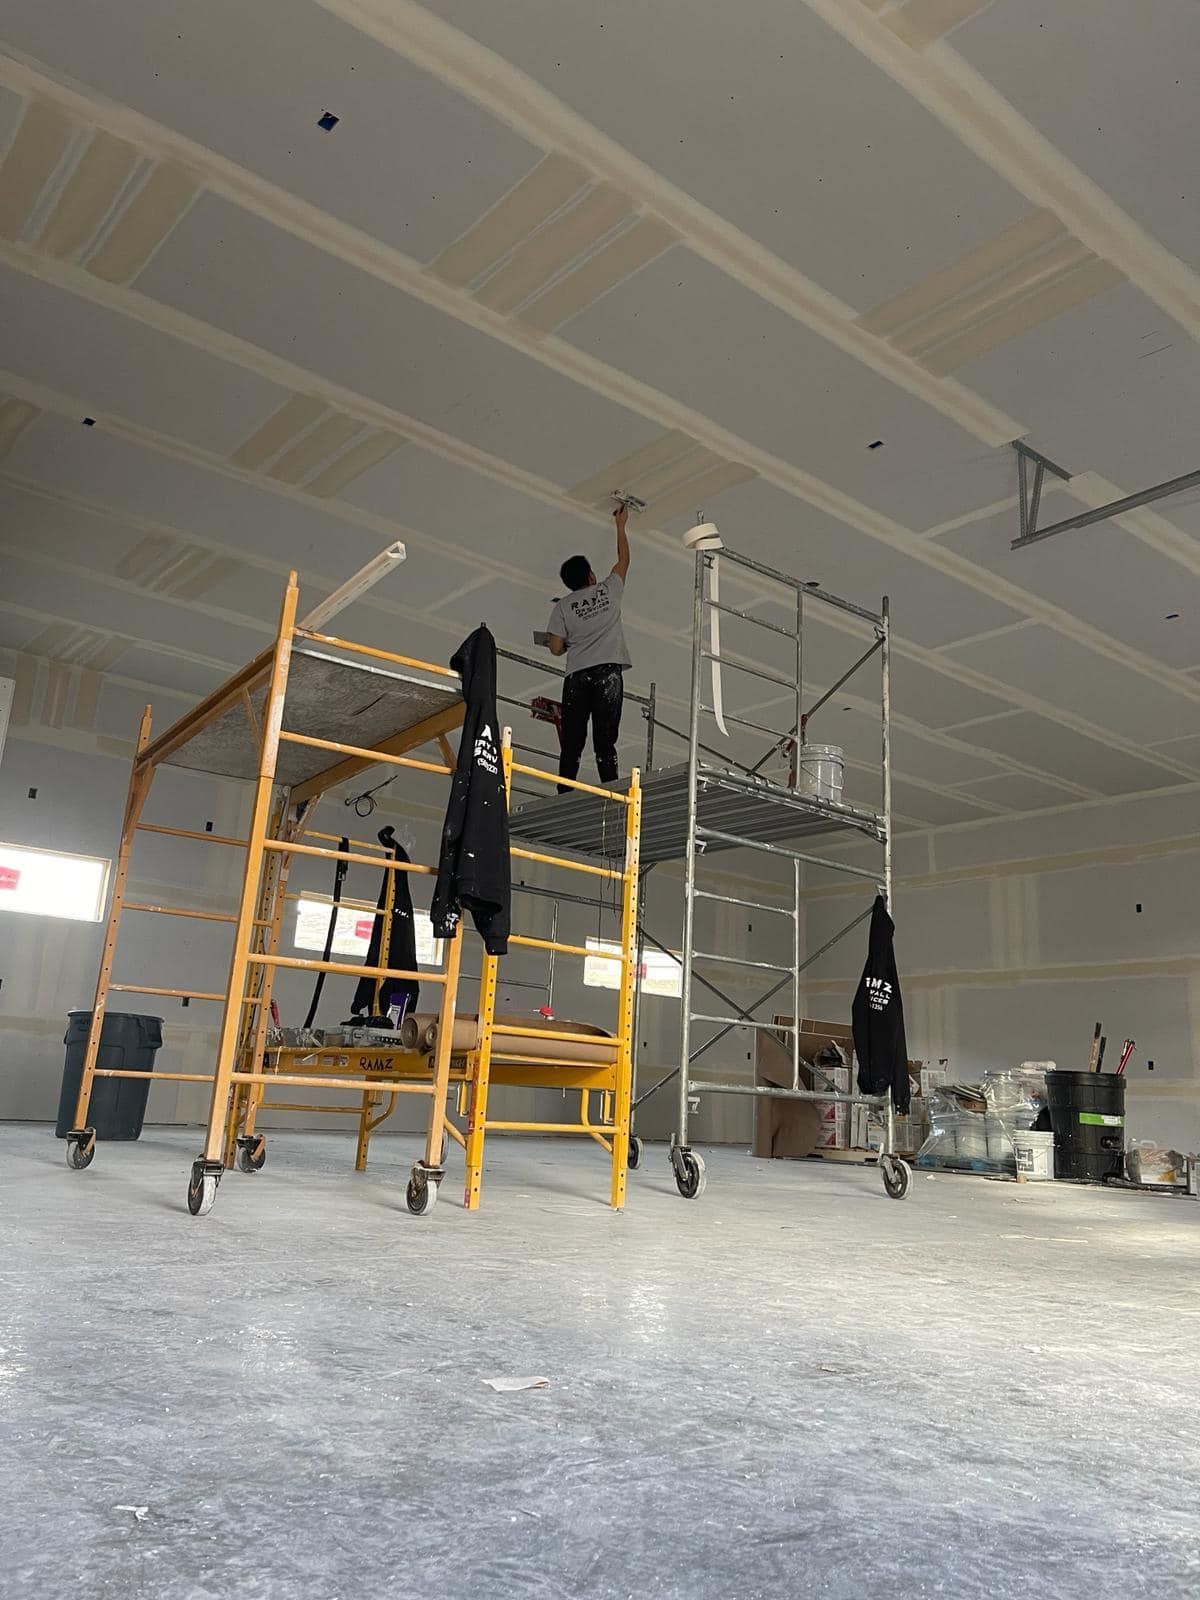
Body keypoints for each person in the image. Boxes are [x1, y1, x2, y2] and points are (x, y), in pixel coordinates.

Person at [545, 503, 631, 792]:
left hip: (578, 677)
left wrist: (570, 638)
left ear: (569, 584)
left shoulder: (563, 607)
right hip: (608, 673)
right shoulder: (609, 588)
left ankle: (564, 793)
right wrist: (621, 526)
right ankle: (613, 794)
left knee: (573, 741)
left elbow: (555, 648)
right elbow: (624, 560)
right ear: (591, 575)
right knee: (605, 741)